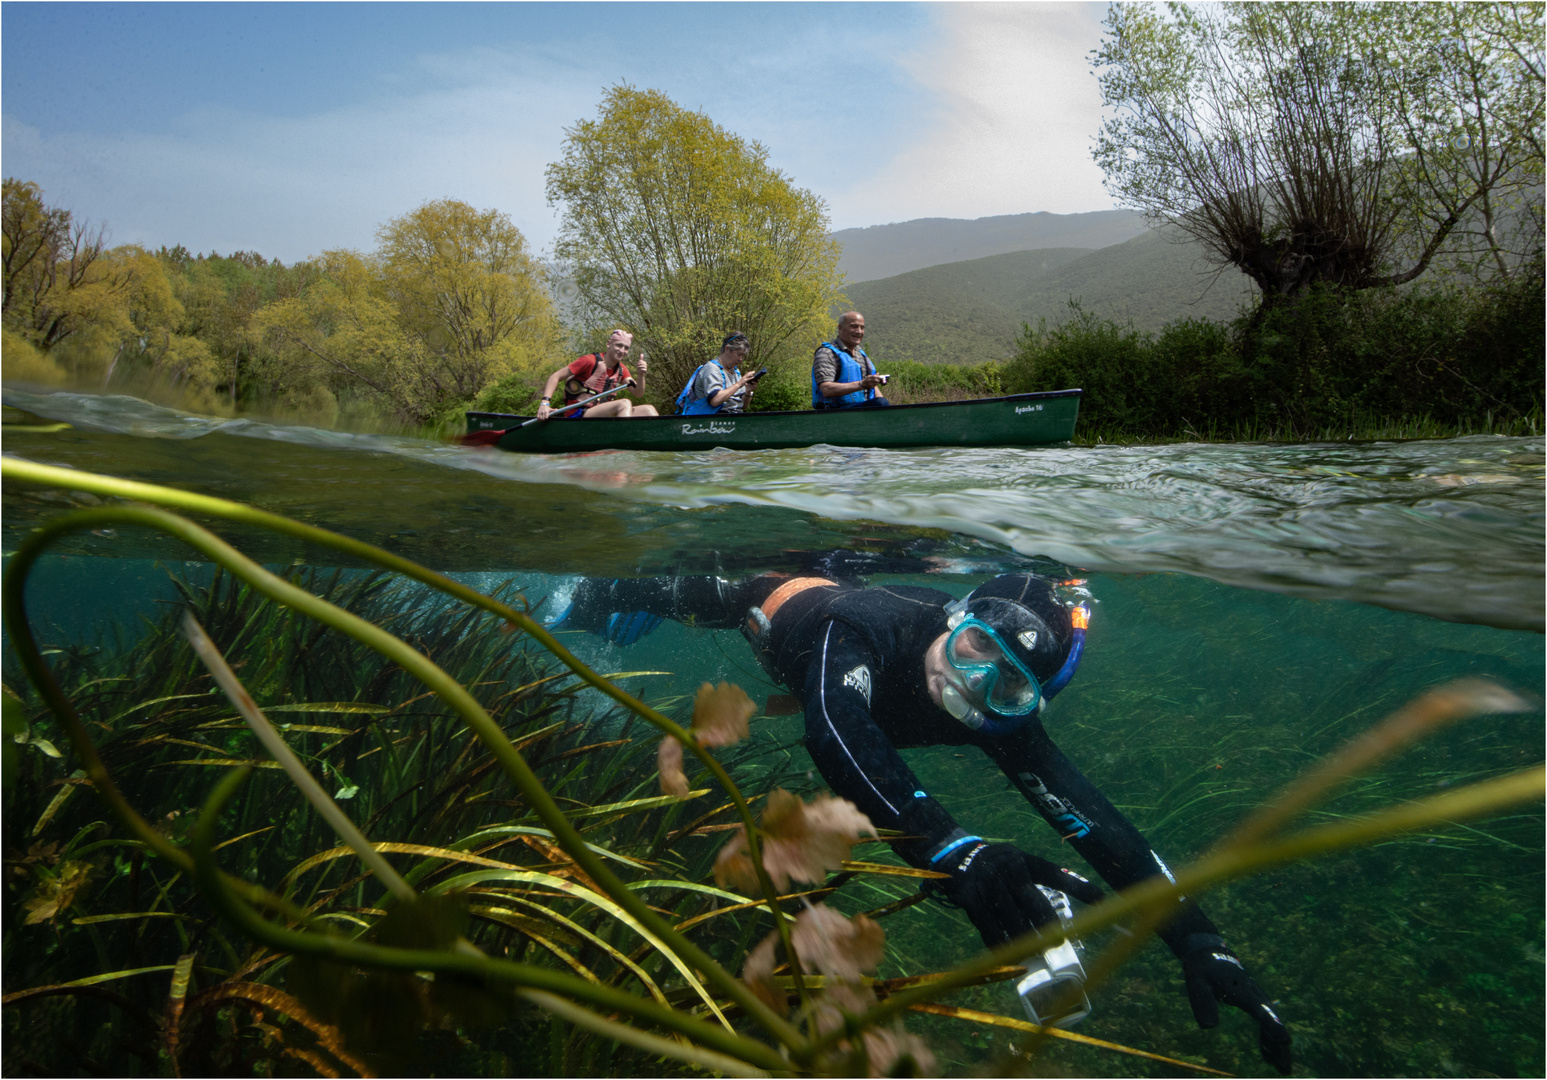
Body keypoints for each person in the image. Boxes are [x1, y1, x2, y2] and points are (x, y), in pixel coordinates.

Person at [549, 565, 1293, 1074]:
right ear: (955, 616)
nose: (972, 685)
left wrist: (1195, 935)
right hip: (769, 602)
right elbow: (835, 725)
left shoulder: (994, 713)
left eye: (1007, 686)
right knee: (614, 600)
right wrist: (952, 848)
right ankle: (574, 600)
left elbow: (1088, 815)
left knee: (621, 626)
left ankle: (607, 620)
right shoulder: (864, 623)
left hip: (811, 659)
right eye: (975, 650)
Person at [535, 330, 659, 421]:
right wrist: (544, 404)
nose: (622, 351)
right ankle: (621, 442)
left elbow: (638, 393)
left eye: (626, 348)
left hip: (601, 415)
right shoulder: (589, 361)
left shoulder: (621, 370)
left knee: (649, 410)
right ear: (609, 344)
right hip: (578, 414)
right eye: (619, 345)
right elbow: (555, 376)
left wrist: (641, 374)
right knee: (624, 403)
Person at [812, 312, 890, 409]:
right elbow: (826, 389)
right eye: (854, 326)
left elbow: (872, 387)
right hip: (834, 413)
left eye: (862, 328)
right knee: (880, 403)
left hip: (859, 411)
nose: (859, 331)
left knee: (882, 403)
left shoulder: (861, 355)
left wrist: (886, 409)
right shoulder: (826, 353)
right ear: (840, 328)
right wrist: (862, 384)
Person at [676, 333, 764, 416]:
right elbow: (715, 400)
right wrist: (739, 384)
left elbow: (743, 406)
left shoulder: (735, 371)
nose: (741, 359)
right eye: (739, 355)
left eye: (742, 356)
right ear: (727, 349)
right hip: (711, 422)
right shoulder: (711, 369)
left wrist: (748, 391)